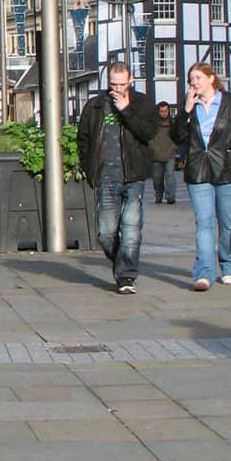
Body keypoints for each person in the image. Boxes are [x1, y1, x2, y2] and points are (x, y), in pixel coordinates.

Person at [171, 62, 231, 291]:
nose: (194, 83)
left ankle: (229, 265)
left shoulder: (230, 102)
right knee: (204, 223)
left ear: (211, 79)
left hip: (228, 170)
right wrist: (186, 111)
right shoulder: (190, 105)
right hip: (198, 171)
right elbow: (176, 136)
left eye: (198, 78)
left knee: (226, 222)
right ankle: (204, 272)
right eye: (191, 79)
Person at [76, 61, 161, 293]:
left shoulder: (142, 104)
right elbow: (83, 138)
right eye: (114, 84)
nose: (118, 89)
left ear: (131, 80)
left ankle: (126, 277)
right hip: (105, 176)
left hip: (133, 175)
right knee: (105, 233)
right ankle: (121, 261)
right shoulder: (95, 106)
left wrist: (126, 110)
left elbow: (149, 132)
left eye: (122, 84)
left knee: (132, 228)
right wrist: (88, 166)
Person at [150, 101, 179, 204]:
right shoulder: (153, 124)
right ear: (158, 112)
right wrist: (152, 148)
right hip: (156, 154)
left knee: (170, 176)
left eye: (165, 111)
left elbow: (177, 136)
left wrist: (175, 148)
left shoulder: (173, 123)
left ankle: (171, 197)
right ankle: (158, 196)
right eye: (161, 111)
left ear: (168, 111)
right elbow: (149, 137)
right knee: (157, 178)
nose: (164, 113)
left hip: (170, 154)